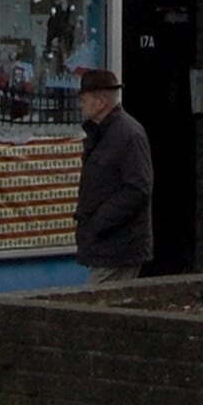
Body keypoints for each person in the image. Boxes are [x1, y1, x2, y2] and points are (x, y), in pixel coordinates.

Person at [74, 66, 153, 283]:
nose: (81, 103)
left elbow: (138, 188)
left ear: (101, 102)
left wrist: (98, 222)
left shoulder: (128, 134)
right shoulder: (102, 134)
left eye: (84, 98)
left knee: (95, 310)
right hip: (106, 246)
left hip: (119, 248)